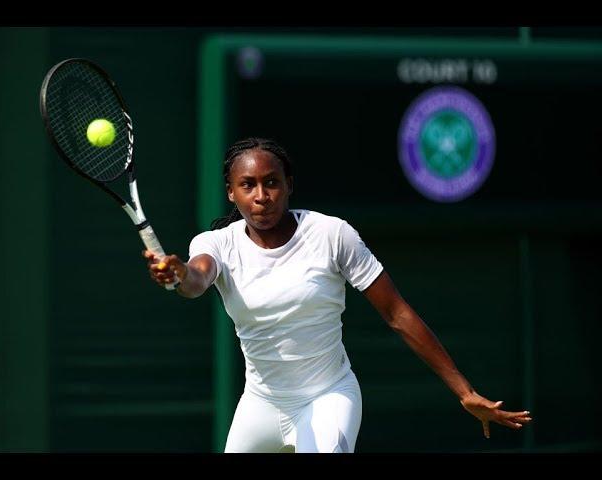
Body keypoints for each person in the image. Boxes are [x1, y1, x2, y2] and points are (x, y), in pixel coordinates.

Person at [143, 137, 532, 453]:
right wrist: (178, 275)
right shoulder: (215, 244)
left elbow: (396, 313)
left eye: (272, 182)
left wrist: (464, 391)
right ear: (231, 193)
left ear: (288, 185)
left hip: (328, 397)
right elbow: (196, 280)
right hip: (259, 404)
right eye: (248, 185)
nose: (261, 195)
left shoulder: (332, 234)